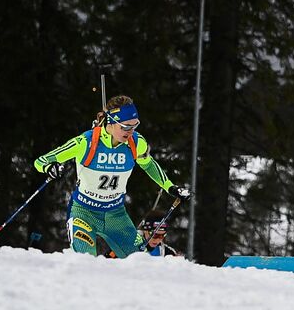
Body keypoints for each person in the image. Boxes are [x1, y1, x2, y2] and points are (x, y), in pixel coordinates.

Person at [32, 95, 189, 257]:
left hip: (116, 214)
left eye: (134, 126)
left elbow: (148, 164)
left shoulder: (136, 143)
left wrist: (171, 187)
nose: (130, 131)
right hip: (84, 212)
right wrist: (49, 167)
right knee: (85, 261)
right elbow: (41, 161)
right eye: (125, 127)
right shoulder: (86, 142)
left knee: (139, 260)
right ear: (112, 122)